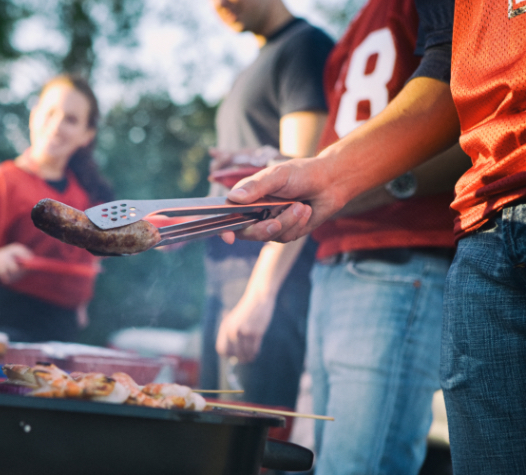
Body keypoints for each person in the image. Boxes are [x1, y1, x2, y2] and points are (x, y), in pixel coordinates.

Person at [223, 0, 526, 473]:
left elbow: (466, 117)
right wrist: (319, 174)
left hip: (400, 259)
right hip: (337, 257)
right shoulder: (351, 33)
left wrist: (383, 184)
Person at [200, 0, 333, 418]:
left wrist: (259, 297)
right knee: (209, 434)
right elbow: (269, 162)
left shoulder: (304, 47)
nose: (219, 3)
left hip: (267, 280)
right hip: (224, 278)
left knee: (251, 442)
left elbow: (304, 179)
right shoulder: (256, 63)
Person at [0, 74, 114, 343]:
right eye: (50, 112)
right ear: (34, 115)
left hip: (61, 335)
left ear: (86, 136)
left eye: (71, 119)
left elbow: (91, 264)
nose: (57, 125)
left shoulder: (88, 198)